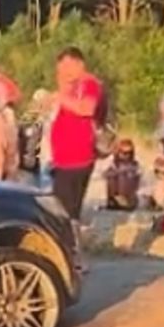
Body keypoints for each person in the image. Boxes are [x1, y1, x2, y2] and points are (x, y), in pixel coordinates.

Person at [49, 47, 103, 225]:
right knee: (61, 210)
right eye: (60, 69)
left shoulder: (89, 84)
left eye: (66, 67)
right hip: (63, 159)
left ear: (79, 64)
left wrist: (59, 97)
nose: (63, 73)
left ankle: (70, 246)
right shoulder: (72, 88)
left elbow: (87, 108)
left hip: (76, 158)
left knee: (65, 212)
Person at [103, 139, 142, 211]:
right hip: (116, 196)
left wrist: (130, 172)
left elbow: (139, 181)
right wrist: (118, 171)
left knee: (127, 175)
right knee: (113, 176)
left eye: (129, 153)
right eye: (123, 153)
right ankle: (115, 200)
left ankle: (125, 201)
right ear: (118, 152)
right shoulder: (114, 163)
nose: (127, 155)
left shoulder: (134, 164)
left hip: (129, 198)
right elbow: (104, 174)